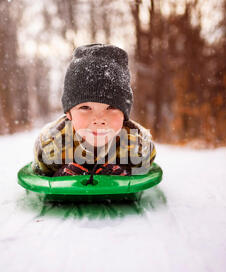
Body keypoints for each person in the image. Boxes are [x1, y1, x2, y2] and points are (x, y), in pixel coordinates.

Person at [32, 43, 156, 178]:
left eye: (111, 107)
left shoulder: (138, 146)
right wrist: (58, 179)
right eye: (85, 107)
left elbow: (144, 179)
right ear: (69, 113)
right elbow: (38, 181)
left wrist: (128, 176)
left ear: (124, 114)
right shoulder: (51, 146)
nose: (99, 119)